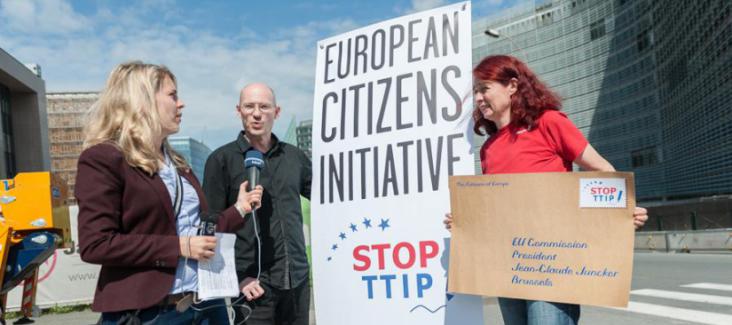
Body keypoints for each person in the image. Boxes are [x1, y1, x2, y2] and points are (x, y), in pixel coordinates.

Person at [443, 55, 648, 325]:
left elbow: (603, 171)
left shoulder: (549, 123)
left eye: (484, 88)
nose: (478, 98)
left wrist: (618, 215)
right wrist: (467, 222)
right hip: (509, 264)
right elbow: (498, 208)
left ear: (512, 86)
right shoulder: (488, 149)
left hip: (553, 263)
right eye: (476, 91)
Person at [75, 61, 263, 324]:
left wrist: (240, 208)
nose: (181, 103)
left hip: (207, 305)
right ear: (142, 100)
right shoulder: (103, 159)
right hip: (153, 312)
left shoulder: (178, 164)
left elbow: (199, 234)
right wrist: (178, 247)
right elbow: (96, 244)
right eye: (172, 95)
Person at [203, 83, 312, 325]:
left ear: (277, 111)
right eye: (249, 106)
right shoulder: (220, 160)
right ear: (238, 110)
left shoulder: (295, 157)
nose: (256, 113)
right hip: (252, 288)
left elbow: (327, 198)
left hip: (297, 281)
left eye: (264, 106)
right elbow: (209, 228)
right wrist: (237, 278)